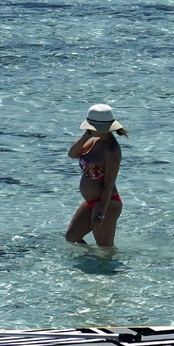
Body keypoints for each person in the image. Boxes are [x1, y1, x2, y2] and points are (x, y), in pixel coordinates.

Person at [65, 103, 125, 248]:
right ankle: (92, 264)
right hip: (91, 201)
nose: (87, 128)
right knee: (72, 237)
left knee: (105, 249)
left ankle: (110, 269)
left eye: (90, 126)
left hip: (106, 203)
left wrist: (101, 214)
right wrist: (86, 136)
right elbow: (72, 154)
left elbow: (109, 185)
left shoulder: (112, 150)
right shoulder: (94, 142)